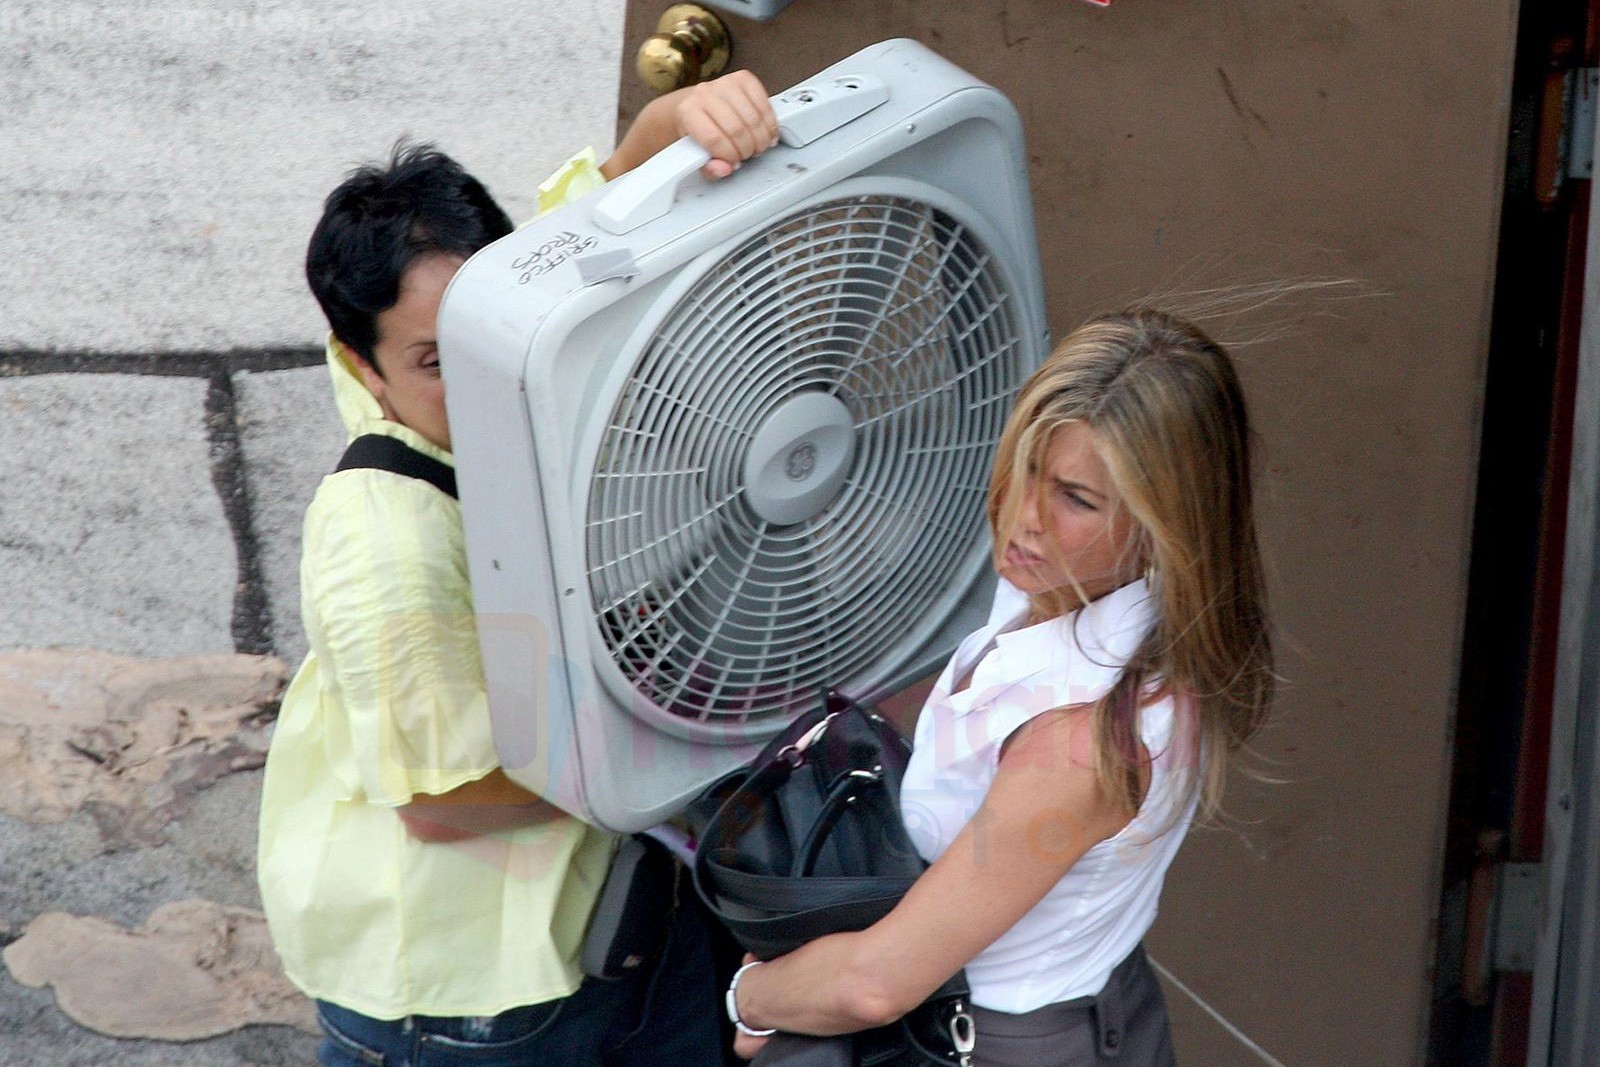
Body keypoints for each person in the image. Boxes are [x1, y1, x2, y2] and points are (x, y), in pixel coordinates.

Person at [257, 72, 778, 1067]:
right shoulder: (385, 540)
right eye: (434, 362)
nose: (480, 369)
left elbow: (607, 194)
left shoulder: (509, 311)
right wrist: (676, 730)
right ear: (362, 364)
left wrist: (689, 115)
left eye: (482, 327)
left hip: (623, 920)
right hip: (478, 993)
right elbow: (445, 800)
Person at [725, 309, 1275, 1066]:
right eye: (1022, 466)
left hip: (992, 1039)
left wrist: (750, 999)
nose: (1022, 517)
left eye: (1076, 498)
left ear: (1166, 523)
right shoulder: (1077, 586)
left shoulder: (1080, 742)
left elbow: (876, 983)